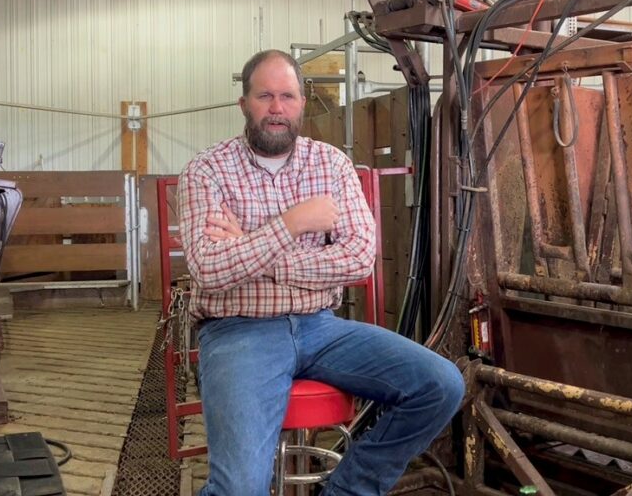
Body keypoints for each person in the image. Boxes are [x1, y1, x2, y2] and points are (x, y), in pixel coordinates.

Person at [178, 49, 465, 496]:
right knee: (238, 489)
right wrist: (294, 223)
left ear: (302, 103)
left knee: (441, 385)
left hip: (319, 326)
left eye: (287, 96)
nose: (277, 108)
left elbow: (358, 259)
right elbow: (209, 268)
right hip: (238, 331)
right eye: (265, 96)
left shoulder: (330, 164)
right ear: (243, 105)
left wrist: (252, 247)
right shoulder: (207, 170)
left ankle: (345, 491)